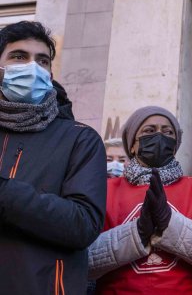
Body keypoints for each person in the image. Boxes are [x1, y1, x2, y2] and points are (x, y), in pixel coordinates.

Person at [0, 21, 107, 294]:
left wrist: (5, 193)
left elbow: (83, 224)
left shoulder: (80, 139)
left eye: (42, 61)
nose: (32, 67)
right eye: (19, 56)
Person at [88, 106, 192, 294]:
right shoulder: (103, 191)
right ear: (132, 144)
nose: (159, 136)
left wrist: (169, 223)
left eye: (168, 132)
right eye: (149, 130)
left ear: (175, 144)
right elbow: (85, 258)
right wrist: (137, 233)